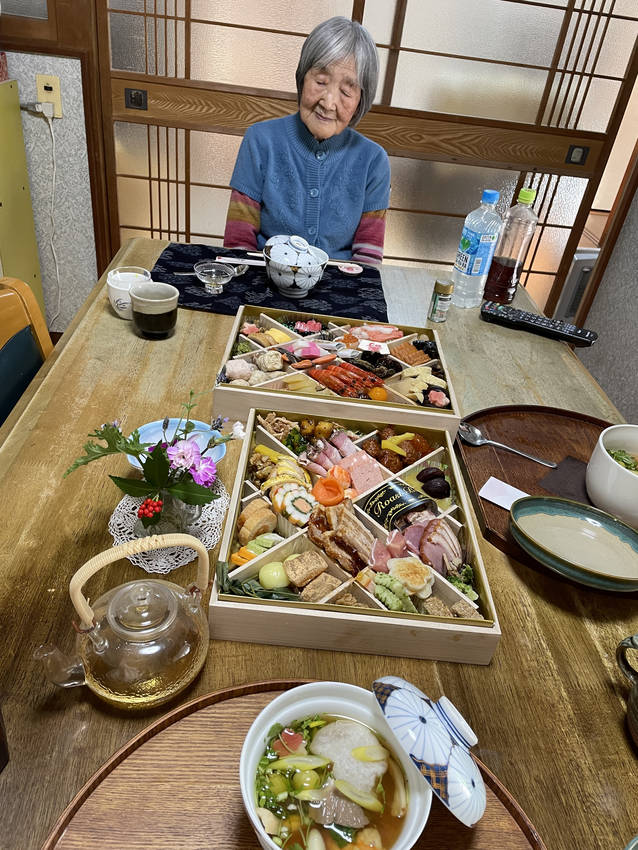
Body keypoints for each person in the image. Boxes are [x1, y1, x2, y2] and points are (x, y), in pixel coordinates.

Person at [223, 16, 390, 265]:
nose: (329, 102)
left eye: (346, 91)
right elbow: (238, 246)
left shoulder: (374, 161)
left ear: (359, 102)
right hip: (263, 280)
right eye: (321, 81)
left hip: (339, 291)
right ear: (302, 78)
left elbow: (367, 262)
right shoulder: (260, 141)